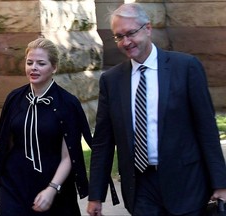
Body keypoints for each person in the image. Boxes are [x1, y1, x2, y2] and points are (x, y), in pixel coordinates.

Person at [87, 3, 226, 216]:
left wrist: (220, 184)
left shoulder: (186, 67)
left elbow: (206, 129)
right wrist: (96, 195)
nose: (126, 42)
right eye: (119, 36)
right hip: (141, 188)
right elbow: (103, 142)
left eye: (131, 33)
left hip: (186, 185)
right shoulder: (112, 80)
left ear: (148, 28)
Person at [0, 37, 92, 216]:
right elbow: (5, 145)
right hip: (14, 184)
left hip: (52, 184)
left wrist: (52, 188)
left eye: (41, 63)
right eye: (30, 63)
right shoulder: (14, 99)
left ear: (54, 67)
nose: (33, 68)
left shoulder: (67, 104)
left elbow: (69, 157)